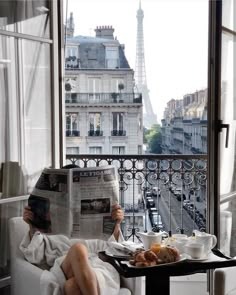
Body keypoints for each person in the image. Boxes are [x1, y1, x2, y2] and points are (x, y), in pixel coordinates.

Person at [21, 204, 124, 295]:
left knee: (72, 287)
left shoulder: (96, 217)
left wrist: (116, 224)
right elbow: (35, 256)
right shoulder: (48, 221)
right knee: (78, 249)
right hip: (65, 266)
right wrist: (32, 225)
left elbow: (114, 248)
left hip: (98, 266)